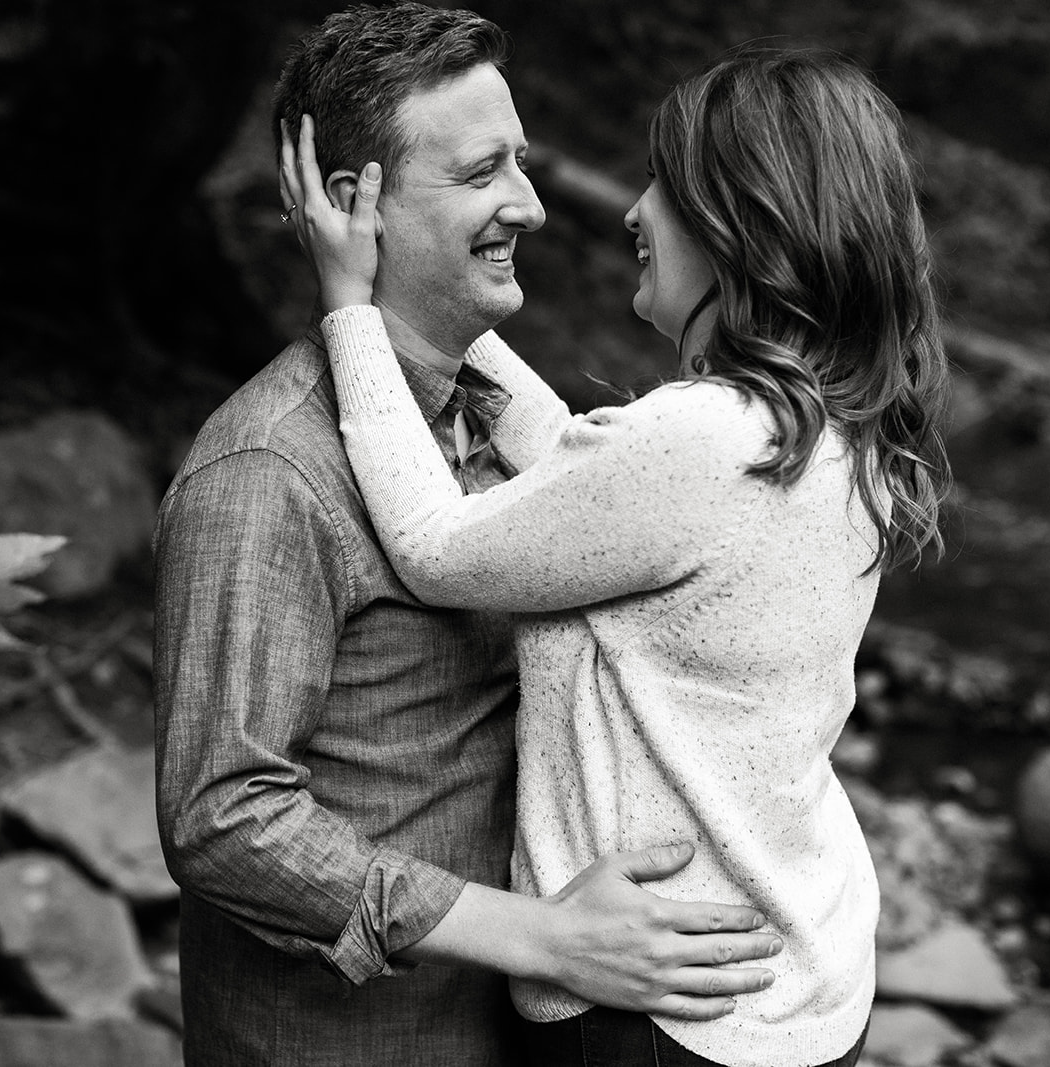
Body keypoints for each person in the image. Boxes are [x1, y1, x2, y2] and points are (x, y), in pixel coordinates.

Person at [281, 41, 952, 1067]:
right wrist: (432, 316)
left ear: (739, 227)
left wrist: (354, 308)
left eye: (665, 187)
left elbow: (434, 549)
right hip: (802, 963)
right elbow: (591, 496)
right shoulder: (834, 425)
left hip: (662, 1011)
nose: (634, 212)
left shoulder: (695, 439)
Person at [154, 7, 782, 1065]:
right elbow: (221, 815)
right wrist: (535, 934)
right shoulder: (268, 473)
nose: (530, 206)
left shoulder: (491, 419)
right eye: (484, 171)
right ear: (360, 206)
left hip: (522, 1028)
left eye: (523, 164)